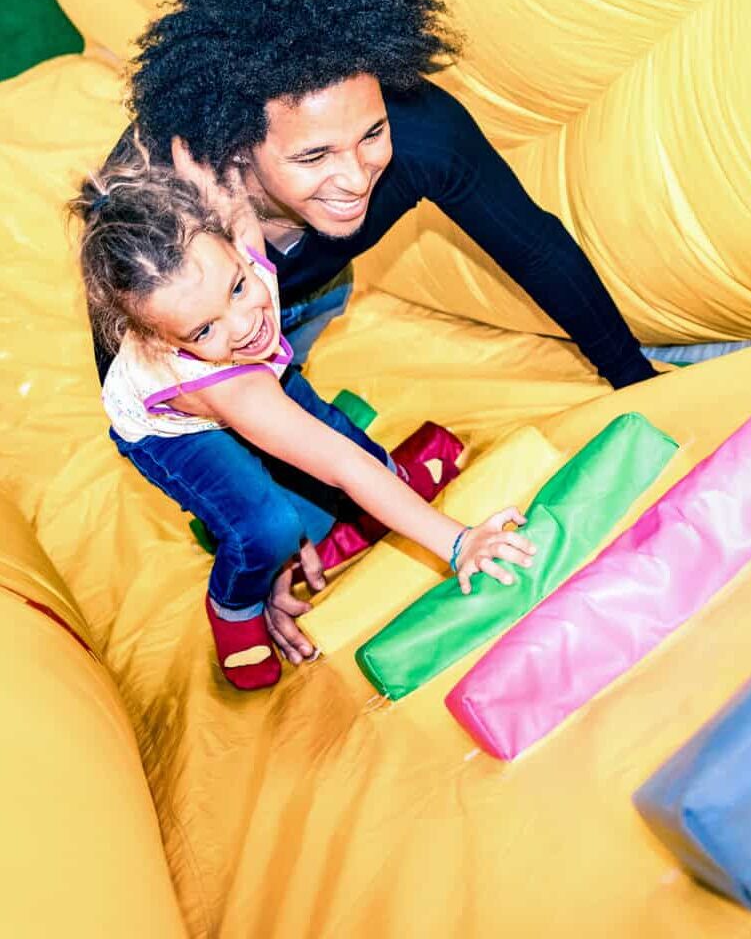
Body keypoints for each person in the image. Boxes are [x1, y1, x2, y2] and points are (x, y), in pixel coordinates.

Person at [71, 139, 535, 692]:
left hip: (254, 373)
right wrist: (458, 543)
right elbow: (337, 464)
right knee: (269, 526)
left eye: (239, 288)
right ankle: (236, 603)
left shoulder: (230, 253)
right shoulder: (232, 380)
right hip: (178, 430)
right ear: (153, 339)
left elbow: (232, 211)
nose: (243, 324)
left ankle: (363, 509)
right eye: (203, 330)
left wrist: (213, 182)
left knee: (354, 459)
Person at [123, 0, 658, 389]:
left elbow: (537, 250)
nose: (357, 178)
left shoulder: (424, 134)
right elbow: (133, 365)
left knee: (291, 385)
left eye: (372, 133)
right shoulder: (160, 209)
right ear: (239, 147)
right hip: (193, 329)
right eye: (314, 155)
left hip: (312, 289)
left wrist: (633, 377)